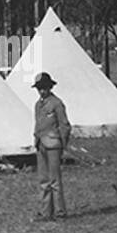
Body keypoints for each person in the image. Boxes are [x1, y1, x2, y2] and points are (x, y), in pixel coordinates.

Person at [32, 72, 71, 220]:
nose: (42, 91)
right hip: (40, 143)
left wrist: (63, 144)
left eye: (44, 88)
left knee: (55, 181)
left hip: (54, 145)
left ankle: (60, 212)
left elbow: (64, 125)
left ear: (50, 87)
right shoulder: (37, 105)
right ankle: (45, 212)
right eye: (39, 88)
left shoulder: (56, 103)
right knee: (43, 180)